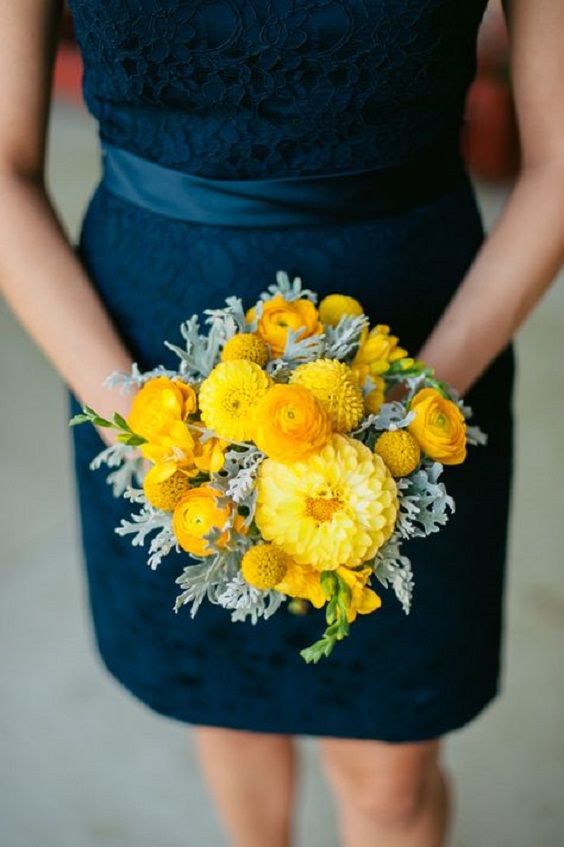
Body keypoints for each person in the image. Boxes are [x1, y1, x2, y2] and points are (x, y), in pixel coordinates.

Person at [1, 2, 563, 845]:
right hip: (147, 363)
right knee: (229, 711)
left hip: (425, 351)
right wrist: (150, 431)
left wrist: (400, 420)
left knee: (390, 784)